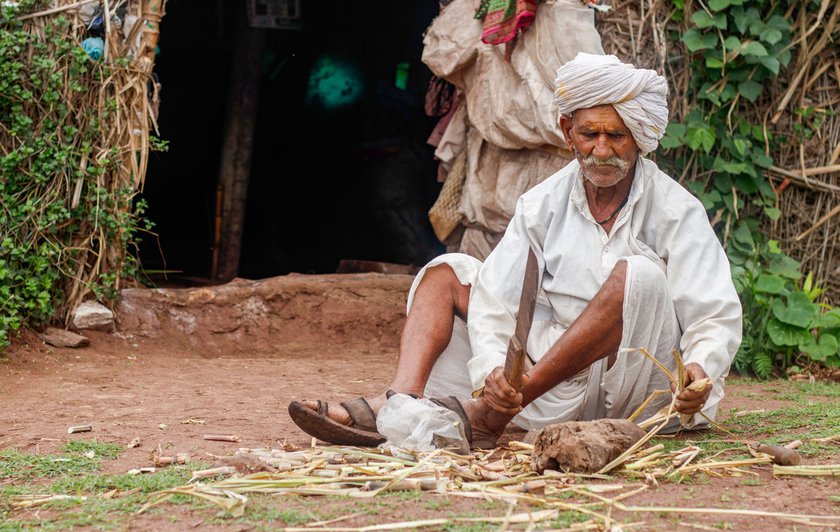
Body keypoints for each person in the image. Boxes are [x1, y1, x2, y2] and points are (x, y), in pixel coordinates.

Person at [288, 53, 743, 448]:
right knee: (447, 270)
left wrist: (700, 370)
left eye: (616, 136)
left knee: (638, 275)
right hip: (550, 392)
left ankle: (488, 414)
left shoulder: (676, 210)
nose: (601, 150)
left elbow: (714, 312)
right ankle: (401, 405)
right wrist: (491, 370)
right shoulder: (541, 204)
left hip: (635, 393)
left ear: (639, 137)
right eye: (589, 135)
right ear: (568, 132)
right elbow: (495, 298)